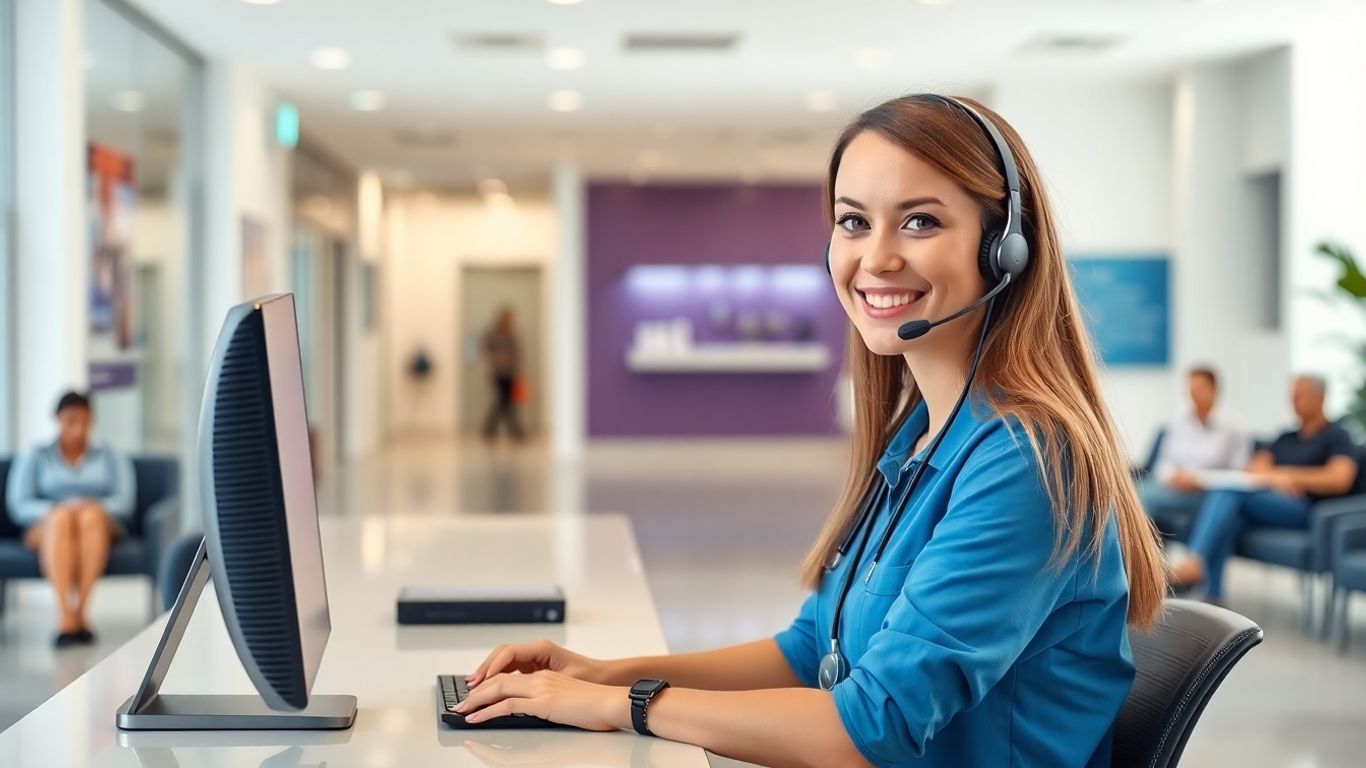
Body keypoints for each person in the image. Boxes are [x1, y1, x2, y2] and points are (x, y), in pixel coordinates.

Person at [447, 94, 1165, 767]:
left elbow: (870, 725)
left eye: (920, 221)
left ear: (1003, 248)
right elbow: (806, 652)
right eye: (854, 221)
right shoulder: (921, 437)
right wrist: (605, 675)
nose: (876, 257)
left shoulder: (1025, 461)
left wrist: (620, 708)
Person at [1169, 375, 1359, 601]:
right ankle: (1212, 597)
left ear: (1320, 398)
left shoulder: (1338, 435)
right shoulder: (1288, 436)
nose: (1293, 402)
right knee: (1231, 518)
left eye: (1299, 396)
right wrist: (1275, 478)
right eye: (1291, 396)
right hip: (1271, 502)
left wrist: (1289, 476)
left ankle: (1194, 562)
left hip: (1308, 509)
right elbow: (1255, 466)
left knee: (1227, 491)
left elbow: (1338, 479)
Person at [6, 391, 135, 647]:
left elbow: (124, 501)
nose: (78, 430)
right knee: (61, 520)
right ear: (57, 419)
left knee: (90, 517)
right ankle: (66, 614)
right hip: (46, 526)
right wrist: (56, 509)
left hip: (98, 524)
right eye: (71, 421)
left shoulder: (109, 454)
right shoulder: (37, 454)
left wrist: (90, 506)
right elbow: (19, 504)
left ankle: (80, 612)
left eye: (84, 422)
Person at [1138, 366, 1251, 536]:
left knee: (1142, 497)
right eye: (1191, 390)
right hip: (1175, 488)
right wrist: (1172, 477)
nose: (1194, 395)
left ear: (1215, 389)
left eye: (1200, 389)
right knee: (1134, 492)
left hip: (1209, 494)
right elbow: (1163, 464)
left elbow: (1239, 475)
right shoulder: (1179, 425)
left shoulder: (1235, 428)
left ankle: (1139, 559)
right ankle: (1143, 558)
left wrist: (1199, 479)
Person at [482, 306, 525, 443]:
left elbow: (517, 352)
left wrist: (517, 370)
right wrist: (498, 358)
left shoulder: (512, 334)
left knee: (505, 402)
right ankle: (514, 432)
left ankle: (491, 430)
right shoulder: (494, 333)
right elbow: (487, 349)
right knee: (504, 402)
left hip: (510, 372)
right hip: (498, 373)